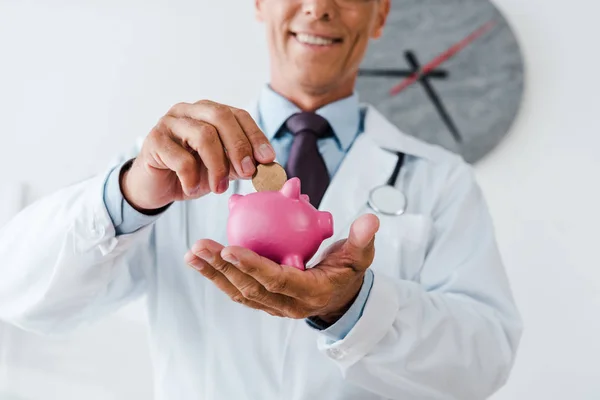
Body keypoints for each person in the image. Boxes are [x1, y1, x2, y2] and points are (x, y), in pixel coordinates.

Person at [0, 0, 522, 399]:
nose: (318, 7)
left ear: (380, 13)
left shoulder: (441, 180)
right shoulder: (165, 159)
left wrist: (349, 306)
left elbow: (483, 360)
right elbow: (20, 292)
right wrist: (132, 196)